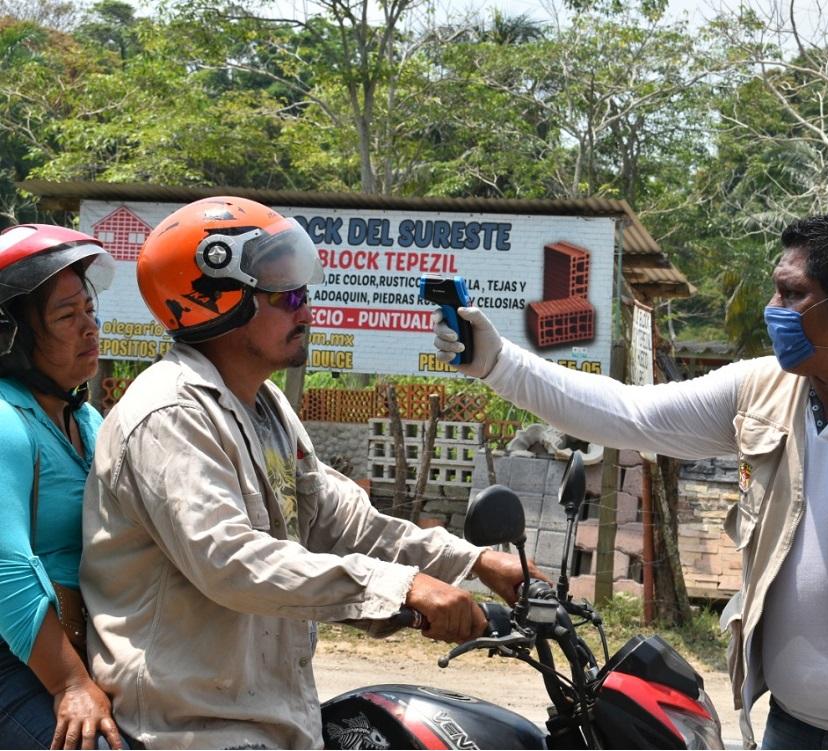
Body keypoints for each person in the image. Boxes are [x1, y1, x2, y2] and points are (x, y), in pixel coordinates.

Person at [432, 212, 828, 750]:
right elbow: (629, 414)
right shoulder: (765, 388)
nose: (772, 309)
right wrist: (499, 363)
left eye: (792, 293)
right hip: (788, 726)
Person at [80, 197, 536, 749]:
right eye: (284, 292)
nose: (305, 306)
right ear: (215, 302)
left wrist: (477, 562)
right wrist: (401, 587)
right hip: (194, 730)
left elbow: (344, 521)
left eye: (303, 288)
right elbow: (231, 562)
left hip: (271, 721)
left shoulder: (264, 406)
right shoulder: (170, 415)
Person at [0, 224, 123, 749]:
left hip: (87, 647)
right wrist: (70, 683)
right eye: (67, 317)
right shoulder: (6, 419)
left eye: (89, 312)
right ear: (13, 336)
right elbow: (4, 566)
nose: (89, 329)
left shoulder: (86, 418)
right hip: (18, 664)